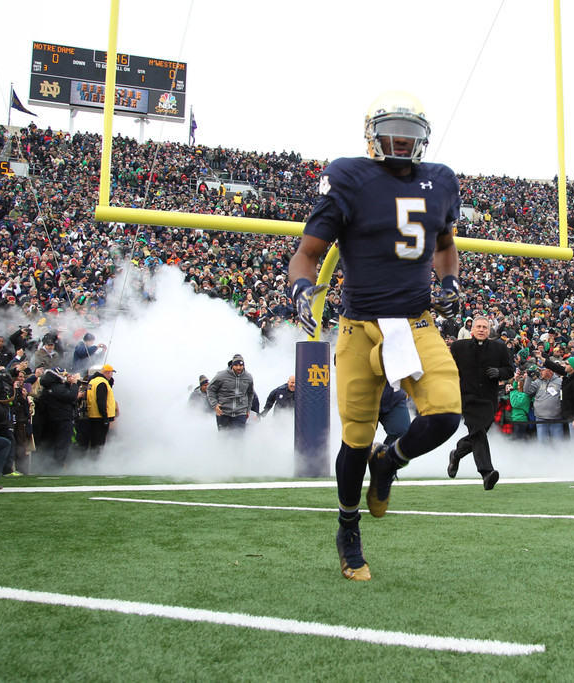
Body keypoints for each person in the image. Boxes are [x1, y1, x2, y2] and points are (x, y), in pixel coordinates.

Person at [287, 91, 463, 581]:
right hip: (360, 325)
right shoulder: (349, 176)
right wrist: (300, 288)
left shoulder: (442, 182)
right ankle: (348, 527)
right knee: (356, 437)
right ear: (372, 135)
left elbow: (446, 248)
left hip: (416, 321)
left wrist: (449, 282)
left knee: (447, 413)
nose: (402, 141)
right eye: (393, 131)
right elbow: (306, 253)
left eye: (410, 133)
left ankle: (390, 463)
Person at [448, 316, 514, 489]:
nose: (481, 330)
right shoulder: (458, 347)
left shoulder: (499, 348)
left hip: (488, 399)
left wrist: (499, 372)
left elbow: (510, 371)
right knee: (478, 431)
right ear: (472, 330)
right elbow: (448, 369)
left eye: (485, 327)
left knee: (480, 431)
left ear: (489, 330)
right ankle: (487, 472)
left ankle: (457, 453)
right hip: (467, 397)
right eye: (478, 326)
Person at [207, 354, 255, 432]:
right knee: (224, 438)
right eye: (236, 365)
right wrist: (214, 404)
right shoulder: (221, 375)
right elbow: (210, 389)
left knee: (238, 439)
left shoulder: (248, 377)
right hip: (223, 412)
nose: (238, 367)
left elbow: (250, 393)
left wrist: (248, 409)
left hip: (240, 413)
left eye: (240, 365)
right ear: (232, 365)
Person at [524, 362, 563, 443]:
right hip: (540, 418)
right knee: (542, 444)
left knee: (558, 444)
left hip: (556, 418)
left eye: (542, 370)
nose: (540, 372)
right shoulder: (538, 382)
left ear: (549, 371)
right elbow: (527, 391)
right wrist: (529, 377)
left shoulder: (560, 382)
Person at [83, 364, 117, 451]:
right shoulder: (102, 383)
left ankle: (92, 460)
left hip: (93, 415)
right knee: (99, 443)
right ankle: (96, 462)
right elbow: (101, 401)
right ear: (108, 373)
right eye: (111, 373)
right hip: (100, 417)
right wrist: (105, 416)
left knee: (94, 441)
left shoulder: (93, 381)